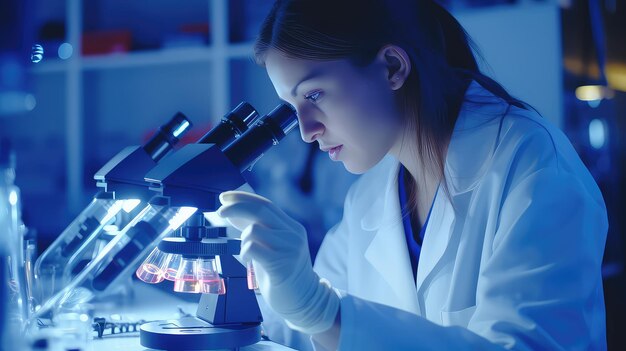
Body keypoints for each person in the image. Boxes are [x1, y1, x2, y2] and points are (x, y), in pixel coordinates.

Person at [217, 0, 609, 349]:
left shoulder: (532, 167)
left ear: (392, 67)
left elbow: (526, 344)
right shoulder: (369, 196)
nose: (306, 130)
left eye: (314, 95)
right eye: (290, 105)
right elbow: (300, 331)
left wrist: (318, 311)